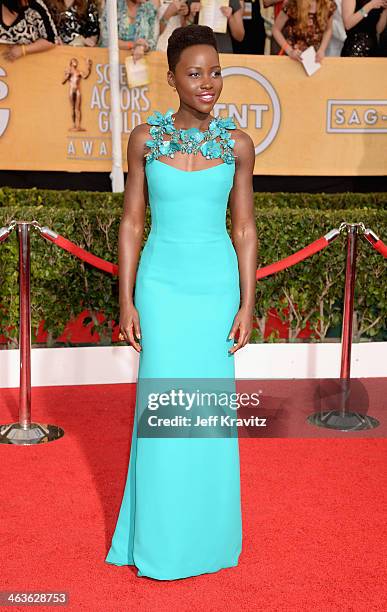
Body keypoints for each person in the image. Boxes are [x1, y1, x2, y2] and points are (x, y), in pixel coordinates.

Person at [105, 24, 258, 581]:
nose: (208, 83)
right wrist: (125, 299)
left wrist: (247, 301)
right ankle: (161, 540)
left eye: (215, 72)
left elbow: (244, 228)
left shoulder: (237, 144)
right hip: (162, 287)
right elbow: (131, 223)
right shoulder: (145, 139)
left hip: (215, 289)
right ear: (171, 78)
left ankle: (209, 539)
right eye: (195, 74)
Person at [272, 0, 337, 62]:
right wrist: (289, 51)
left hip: (313, 60)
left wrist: (322, 50)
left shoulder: (328, 4)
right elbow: (276, 29)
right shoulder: (293, 3)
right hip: (291, 59)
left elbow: (328, 29)